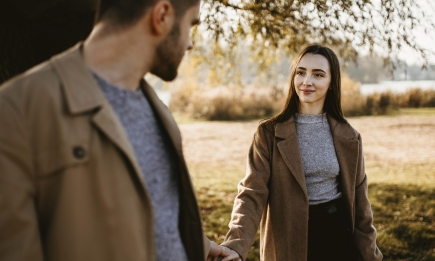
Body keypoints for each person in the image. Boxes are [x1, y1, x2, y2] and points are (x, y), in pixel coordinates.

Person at [0, 0, 231, 260]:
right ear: (162, 15)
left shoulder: (158, 110)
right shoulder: (15, 111)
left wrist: (196, 246)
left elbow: (152, 209)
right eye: (190, 24)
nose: (190, 43)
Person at [219, 44, 383, 261]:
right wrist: (235, 245)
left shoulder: (350, 136)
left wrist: (371, 255)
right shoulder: (268, 134)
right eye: (301, 72)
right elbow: (251, 193)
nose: (307, 81)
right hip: (290, 240)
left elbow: (361, 206)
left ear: (332, 83)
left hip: (339, 237)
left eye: (318, 75)